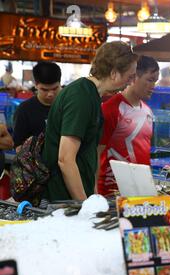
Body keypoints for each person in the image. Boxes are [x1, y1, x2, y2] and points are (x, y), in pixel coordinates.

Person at [42, 41, 138, 202]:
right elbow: (65, 159)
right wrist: (84, 205)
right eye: (130, 76)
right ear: (114, 73)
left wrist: (93, 196)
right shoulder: (81, 97)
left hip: (73, 197)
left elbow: (87, 153)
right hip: (61, 200)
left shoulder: (92, 95)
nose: (131, 81)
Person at [97, 55, 159, 196]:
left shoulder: (147, 111)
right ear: (133, 77)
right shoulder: (111, 109)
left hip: (141, 191)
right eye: (150, 80)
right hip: (110, 192)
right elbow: (96, 154)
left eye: (155, 81)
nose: (153, 86)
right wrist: (94, 194)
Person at [13, 62, 61, 152]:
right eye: (44, 89)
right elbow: (18, 145)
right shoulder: (24, 109)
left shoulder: (68, 106)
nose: (50, 94)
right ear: (36, 85)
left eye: (55, 89)